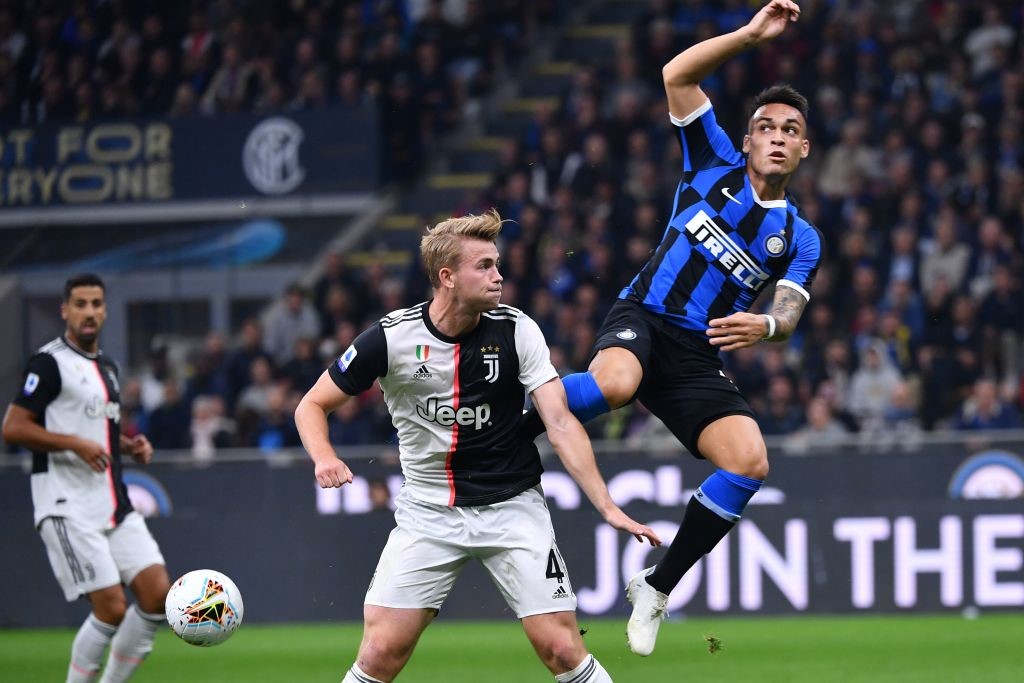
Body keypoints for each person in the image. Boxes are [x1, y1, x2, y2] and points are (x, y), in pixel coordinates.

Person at [521, 0, 822, 657]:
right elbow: (675, 76)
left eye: (789, 129)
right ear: (745, 140)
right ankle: (510, 416)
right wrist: (747, 36)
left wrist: (768, 323)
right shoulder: (711, 161)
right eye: (764, 125)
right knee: (618, 382)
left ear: (802, 148)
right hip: (645, 316)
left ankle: (657, 585)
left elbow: (792, 311)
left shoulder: (800, 237)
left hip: (696, 352)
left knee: (749, 461)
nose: (774, 135)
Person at [294, 210, 661, 683]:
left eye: (497, 264)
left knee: (562, 648)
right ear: (447, 278)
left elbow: (560, 423)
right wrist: (324, 457)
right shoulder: (390, 339)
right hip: (428, 511)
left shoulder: (517, 329)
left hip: (512, 506)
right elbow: (311, 405)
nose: (498, 275)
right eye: (484, 266)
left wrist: (608, 507)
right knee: (381, 652)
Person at [2, 273, 171, 683]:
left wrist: (129, 447)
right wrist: (75, 444)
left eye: (96, 303)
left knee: (156, 596)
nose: (89, 311)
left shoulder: (108, 367)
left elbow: (102, 432)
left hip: (112, 501)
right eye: (80, 304)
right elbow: (13, 427)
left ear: (105, 310)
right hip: (67, 504)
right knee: (111, 607)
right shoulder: (49, 363)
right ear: (65, 310)